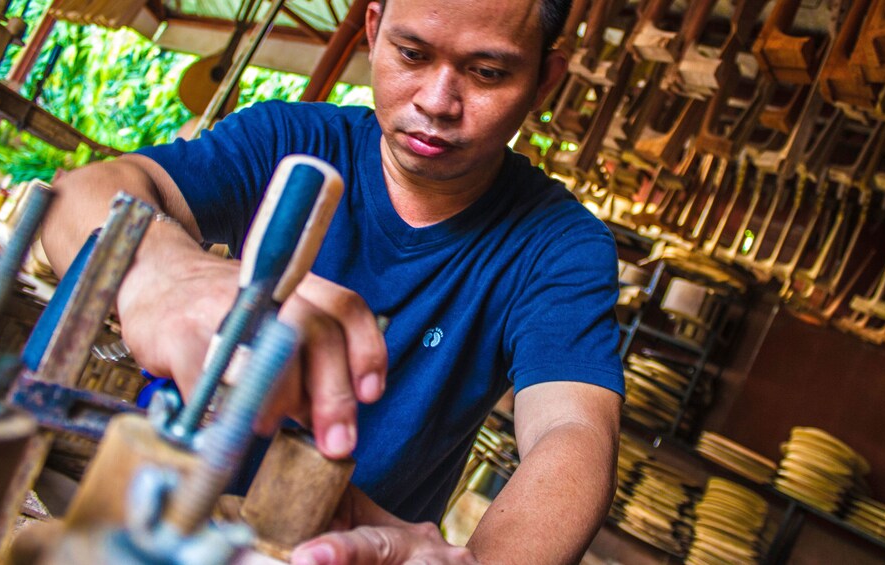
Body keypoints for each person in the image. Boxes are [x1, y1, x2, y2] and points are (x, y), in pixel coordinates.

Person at [42, 0, 624, 563]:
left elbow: (572, 434)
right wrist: (168, 275)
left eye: (487, 72)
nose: (437, 101)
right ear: (374, 28)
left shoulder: (559, 247)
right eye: (413, 54)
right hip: (144, 517)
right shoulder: (287, 142)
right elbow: (85, 194)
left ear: (544, 78)